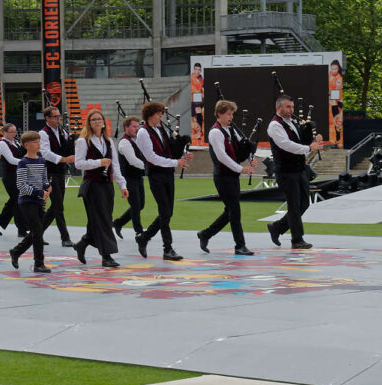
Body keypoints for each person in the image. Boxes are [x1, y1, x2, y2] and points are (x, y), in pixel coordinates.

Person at [135, 102, 193, 261]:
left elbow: (169, 151)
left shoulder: (161, 130)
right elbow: (151, 157)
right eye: (158, 114)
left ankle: (144, 237)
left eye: (161, 113)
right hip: (156, 175)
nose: (161, 116)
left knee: (167, 212)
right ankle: (167, 248)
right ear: (150, 115)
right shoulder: (143, 133)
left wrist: (182, 156)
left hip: (168, 173)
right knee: (165, 211)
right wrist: (176, 163)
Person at [72, 110, 129, 268]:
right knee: (103, 220)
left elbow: (115, 166)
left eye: (99, 119)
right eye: (93, 120)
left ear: (103, 122)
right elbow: (78, 164)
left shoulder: (109, 141)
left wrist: (122, 185)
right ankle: (107, 256)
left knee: (98, 220)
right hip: (92, 185)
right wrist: (98, 162)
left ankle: (82, 244)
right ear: (89, 123)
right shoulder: (83, 141)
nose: (97, 122)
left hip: (106, 185)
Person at [266, 94, 324, 250]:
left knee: (304, 203)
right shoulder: (275, 125)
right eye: (287, 107)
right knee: (294, 205)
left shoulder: (291, 123)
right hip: (285, 171)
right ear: (278, 107)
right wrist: (308, 148)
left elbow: (299, 143)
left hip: (299, 169)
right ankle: (297, 239)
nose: (291, 110)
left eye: (292, 107)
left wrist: (313, 142)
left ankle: (277, 228)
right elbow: (286, 145)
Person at [198, 100, 255, 256]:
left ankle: (205, 234)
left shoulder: (230, 130)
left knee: (230, 211)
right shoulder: (215, 132)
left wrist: (251, 158)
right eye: (228, 114)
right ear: (219, 114)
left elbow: (242, 147)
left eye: (232, 114)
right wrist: (241, 168)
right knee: (234, 211)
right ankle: (240, 245)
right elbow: (222, 156)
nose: (231, 117)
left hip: (232, 176)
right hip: (223, 177)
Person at [8, 131, 51, 273]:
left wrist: (46, 186)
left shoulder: (41, 161)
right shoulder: (23, 163)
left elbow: (44, 178)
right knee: (38, 232)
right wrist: (39, 192)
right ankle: (39, 263)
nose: (38, 144)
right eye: (35, 142)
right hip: (27, 201)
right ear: (26, 145)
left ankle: (16, 251)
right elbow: (21, 185)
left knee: (36, 231)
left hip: (39, 201)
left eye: (39, 141)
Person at [39, 106, 76, 247]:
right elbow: (45, 153)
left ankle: (36, 233)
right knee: (58, 206)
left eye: (58, 116)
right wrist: (64, 159)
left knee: (56, 206)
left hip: (60, 172)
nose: (58, 119)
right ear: (47, 118)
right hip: (50, 172)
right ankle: (65, 237)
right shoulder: (43, 133)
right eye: (54, 116)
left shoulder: (62, 131)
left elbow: (66, 147)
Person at [112, 116, 147, 241]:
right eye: (134, 126)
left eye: (137, 127)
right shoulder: (124, 142)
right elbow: (133, 161)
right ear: (126, 127)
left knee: (140, 204)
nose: (136, 129)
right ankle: (139, 232)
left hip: (137, 177)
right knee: (136, 205)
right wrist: (149, 165)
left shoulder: (136, 140)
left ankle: (118, 223)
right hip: (128, 178)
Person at [0, 124, 26, 240]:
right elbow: (11, 160)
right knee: (18, 201)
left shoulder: (15, 142)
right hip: (10, 176)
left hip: (18, 174)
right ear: (4, 132)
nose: (14, 134)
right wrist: (27, 162)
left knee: (14, 201)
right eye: (11, 132)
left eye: (15, 132)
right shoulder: (2, 144)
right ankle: (22, 229)